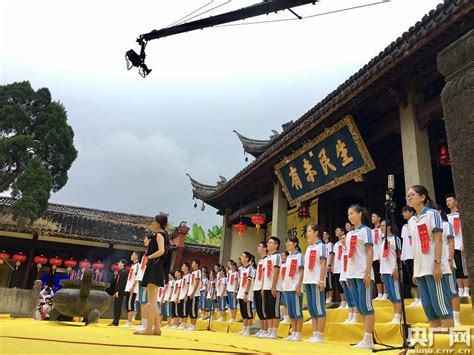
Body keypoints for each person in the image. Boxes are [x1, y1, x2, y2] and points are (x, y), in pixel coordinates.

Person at [406, 185, 454, 329]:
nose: (409, 198)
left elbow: (438, 240)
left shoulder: (432, 214)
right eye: (408, 195)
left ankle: (449, 346)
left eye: (412, 195)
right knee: (428, 309)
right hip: (421, 270)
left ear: (422, 197)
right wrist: (415, 270)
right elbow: (415, 248)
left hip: (434, 268)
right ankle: (437, 343)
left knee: (442, 307)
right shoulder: (411, 221)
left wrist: (437, 264)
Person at [346, 205, 375, 349]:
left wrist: (368, 272)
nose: (350, 216)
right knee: (359, 306)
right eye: (348, 214)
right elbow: (349, 256)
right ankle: (366, 337)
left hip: (363, 273)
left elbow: (370, 252)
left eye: (352, 213)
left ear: (360, 214)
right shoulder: (350, 234)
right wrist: (347, 273)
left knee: (366, 306)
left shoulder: (366, 231)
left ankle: (369, 339)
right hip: (352, 274)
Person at [134, 214, 167, 336]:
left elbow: (161, 251)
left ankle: (149, 328)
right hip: (155, 267)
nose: (152, 223)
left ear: (158, 223)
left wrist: (149, 257)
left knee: (152, 301)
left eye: (154, 221)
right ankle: (157, 328)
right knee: (153, 300)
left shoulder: (159, 235)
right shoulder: (162, 235)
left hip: (154, 267)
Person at [437, 205, 461, 326]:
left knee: (452, 290)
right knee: (442, 292)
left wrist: (450, 259)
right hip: (437, 263)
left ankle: (456, 318)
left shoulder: (446, 224)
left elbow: (451, 242)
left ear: (439, 212)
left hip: (447, 260)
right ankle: (446, 317)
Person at [303, 224, 327, 343]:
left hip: (316, 281)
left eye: (309, 231)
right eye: (307, 231)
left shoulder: (321, 246)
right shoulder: (308, 248)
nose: (307, 233)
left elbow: (323, 264)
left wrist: (321, 280)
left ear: (316, 232)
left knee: (319, 308)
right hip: (308, 280)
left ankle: (320, 335)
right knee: (312, 309)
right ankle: (315, 334)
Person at [446, 193, 470, 298]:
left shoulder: (461, 214)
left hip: (460, 245)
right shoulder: (447, 217)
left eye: (450, 200)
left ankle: (466, 290)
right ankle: (459, 289)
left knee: (463, 268)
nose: (448, 203)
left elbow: (465, 230)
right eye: (447, 201)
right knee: (455, 268)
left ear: (456, 201)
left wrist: (464, 243)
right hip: (451, 247)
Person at [379, 220, 402, 324]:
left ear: (389, 227)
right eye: (380, 226)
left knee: (396, 294)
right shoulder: (383, 240)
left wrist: (396, 268)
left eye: (383, 225)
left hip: (393, 269)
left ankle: (398, 317)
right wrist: (381, 272)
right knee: (391, 295)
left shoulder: (395, 239)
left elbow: (398, 255)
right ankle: (395, 316)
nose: (381, 227)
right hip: (385, 270)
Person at [282, 236, 304, 341]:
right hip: (287, 287)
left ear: (295, 244)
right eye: (286, 242)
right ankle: (294, 332)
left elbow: (301, 272)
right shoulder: (289, 257)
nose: (287, 244)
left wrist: (299, 285)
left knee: (297, 311)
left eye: (289, 242)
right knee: (291, 312)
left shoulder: (299, 256)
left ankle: (298, 334)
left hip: (295, 287)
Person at [262, 236, 282, 339]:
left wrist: (273, 286)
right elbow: (265, 273)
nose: (268, 244)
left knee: (275, 309)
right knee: (268, 309)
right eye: (268, 242)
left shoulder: (277, 256)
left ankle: (274, 331)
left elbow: (276, 271)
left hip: (275, 287)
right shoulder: (267, 258)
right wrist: (263, 287)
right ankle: (269, 330)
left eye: (270, 242)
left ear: (276, 245)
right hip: (266, 286)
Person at [400, 206, 421, 307]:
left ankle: (421, 297)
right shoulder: (404, 226)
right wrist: (403, 256)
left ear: (411, 212)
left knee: (418, 276)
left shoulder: (415, 221)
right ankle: (416, 298)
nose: (403, 214)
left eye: (405, 212)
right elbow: (404, 242)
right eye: (403, 212)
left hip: (414, 254)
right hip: (407, 255)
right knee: (410, 277)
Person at [235, 251, 255, 336]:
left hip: (247, 293)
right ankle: (244, 328)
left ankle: (248, 329)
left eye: (243, 256)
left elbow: (249, 281)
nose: (241, 258)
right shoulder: (243, 269)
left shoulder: (250, 268)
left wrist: (246, 293)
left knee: (248, 312)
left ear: (247, 258)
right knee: (243, 312)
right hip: (241, 292)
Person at [123, 252, 140, 328]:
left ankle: (129, 322)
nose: (131, 256)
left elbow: (137, 277)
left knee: (130, 304)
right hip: (129, 287)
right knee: (128, 304)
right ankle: (128, 321)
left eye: (132, 254)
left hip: (132, 288)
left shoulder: (137, 266)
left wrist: (133, 287)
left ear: (136, 256)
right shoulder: (133, 265)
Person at [371, 212, 386, 300]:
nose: (372, 218)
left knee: (383, 274)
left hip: (382, 255)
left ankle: (385, 293)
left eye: (374, 216)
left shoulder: (382, 229)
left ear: (379, 218)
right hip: (374, 255)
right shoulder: (371, 231)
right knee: (376, 274)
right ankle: (379, 293)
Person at [109, 259, 128, 326]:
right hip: (117, 291)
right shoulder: (120, 272)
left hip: (120, 292)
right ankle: (115, 321)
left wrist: (118, 291)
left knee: (117, 307)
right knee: (116, 307)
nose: (118, 264)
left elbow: (122, 283)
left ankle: (116, 321)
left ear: (123, 264)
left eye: (119, 263)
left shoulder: (123, 272)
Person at [186, 259, 201, 331]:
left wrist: (193, 293)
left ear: (197, 264)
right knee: (189, 308)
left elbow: (197, 282)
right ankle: (191, 324)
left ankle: (193, 325)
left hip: (195, 294)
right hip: (190, 293)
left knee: (193, 309)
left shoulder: (198, 271)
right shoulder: (193, 272)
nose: (191, 264)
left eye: (193, 263)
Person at [333, 227, 347, 309]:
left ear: (342, 232)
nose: (336, 231)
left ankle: (349, 301)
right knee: (339, 285)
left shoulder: (346, 242)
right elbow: (335, 256)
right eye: (336, 230)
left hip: (344, 267)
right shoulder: (336, 244)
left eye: (338, 230)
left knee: (347, 285)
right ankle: (343, 301)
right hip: (337, 267)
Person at [177, 262, 190, 329]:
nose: (182, 267)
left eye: (183, 266)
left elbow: (188, 286)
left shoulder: (188, 276)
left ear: (187, 268)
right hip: (181, 295)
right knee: (181, 309)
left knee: (185, 310)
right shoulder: (183, 277)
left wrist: (186, 295)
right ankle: (182, 322)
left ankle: (184, 323)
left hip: (185, 295)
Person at [323, 231, 334, 304]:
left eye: (325, 234)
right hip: (323, 266)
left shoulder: (330, 244)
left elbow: (331, 254)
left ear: (328, 236)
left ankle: (330, 297)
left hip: (327, 266)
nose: (323, 236)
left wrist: (329, 264)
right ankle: (326, 297)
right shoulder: (322, 246)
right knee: (325, 282)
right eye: (323, 235)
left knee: (329, 282)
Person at [279, 251, 290, 324]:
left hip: (287, 285)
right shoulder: (281, 265)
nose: (282, 257)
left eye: (283, 255)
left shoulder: (288, 264)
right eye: (281, 255)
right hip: (282, 285)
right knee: (284, 303)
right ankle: (285, 317)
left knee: (288, 303)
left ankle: (288, 316)